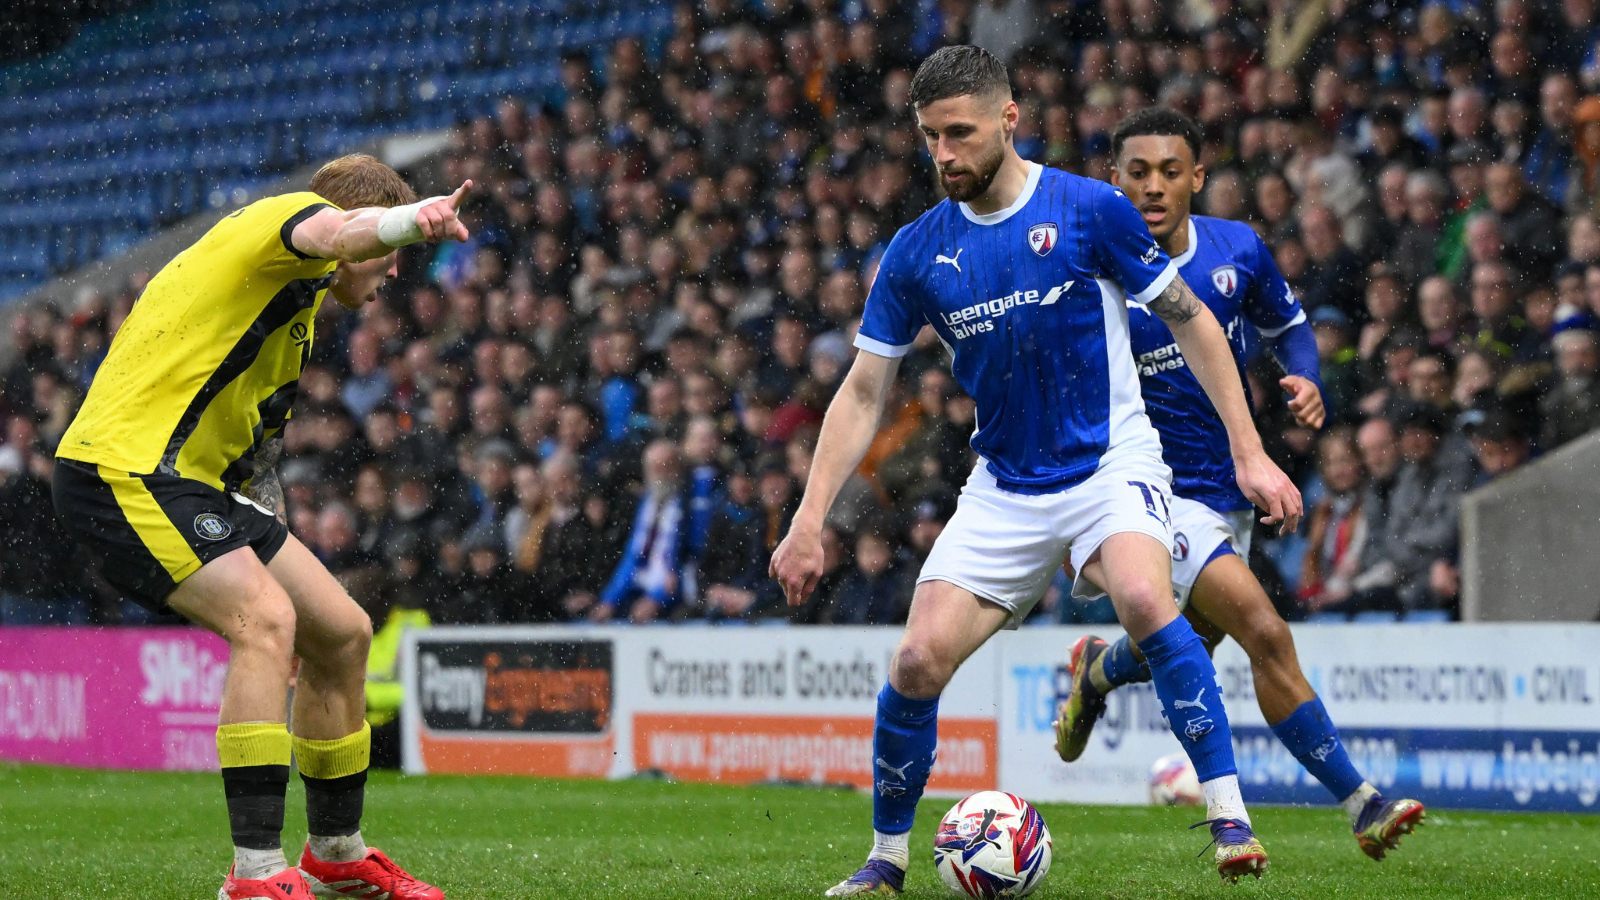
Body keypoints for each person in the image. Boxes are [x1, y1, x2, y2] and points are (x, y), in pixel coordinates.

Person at [769, 48, 1301, 894]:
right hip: (1005, 488)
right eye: (930, 138)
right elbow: (865, 389)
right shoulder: (916, 254)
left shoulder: (1090, 210)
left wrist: (1248, 450)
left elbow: (1193, 319)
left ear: (1009, 119)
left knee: (1140, 596)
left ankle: (1228, 813)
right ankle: (886, 861)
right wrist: (808, 521)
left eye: (960, 133)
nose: (944, 154)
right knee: (914, 665)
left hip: (1107, 464)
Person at [51, 154, 468, 900]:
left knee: (339, 634)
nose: (395, 271)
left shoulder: (291, 309)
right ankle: (253, 875)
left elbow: (256, 457)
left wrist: (269, 540)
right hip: (124, 471)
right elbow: (340, 230)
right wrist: (409, 219)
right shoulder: (275, 220)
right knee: (265, 622)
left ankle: (336, 854)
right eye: (395, 256)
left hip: (196, 485)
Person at [1050, 108, 1425, 861]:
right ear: (1113, 180)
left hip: (1226, 491)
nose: (1153, 187)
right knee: (1264, 631)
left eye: (1169, 171)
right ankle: (1361, 801)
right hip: (1146, 492)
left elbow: (1291, 327)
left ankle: (1098, 668)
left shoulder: (1237, 249)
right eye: (1136, 172)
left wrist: (1307, 378)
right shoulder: (1087, 274)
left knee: (1193, 638)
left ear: (1197, 177)